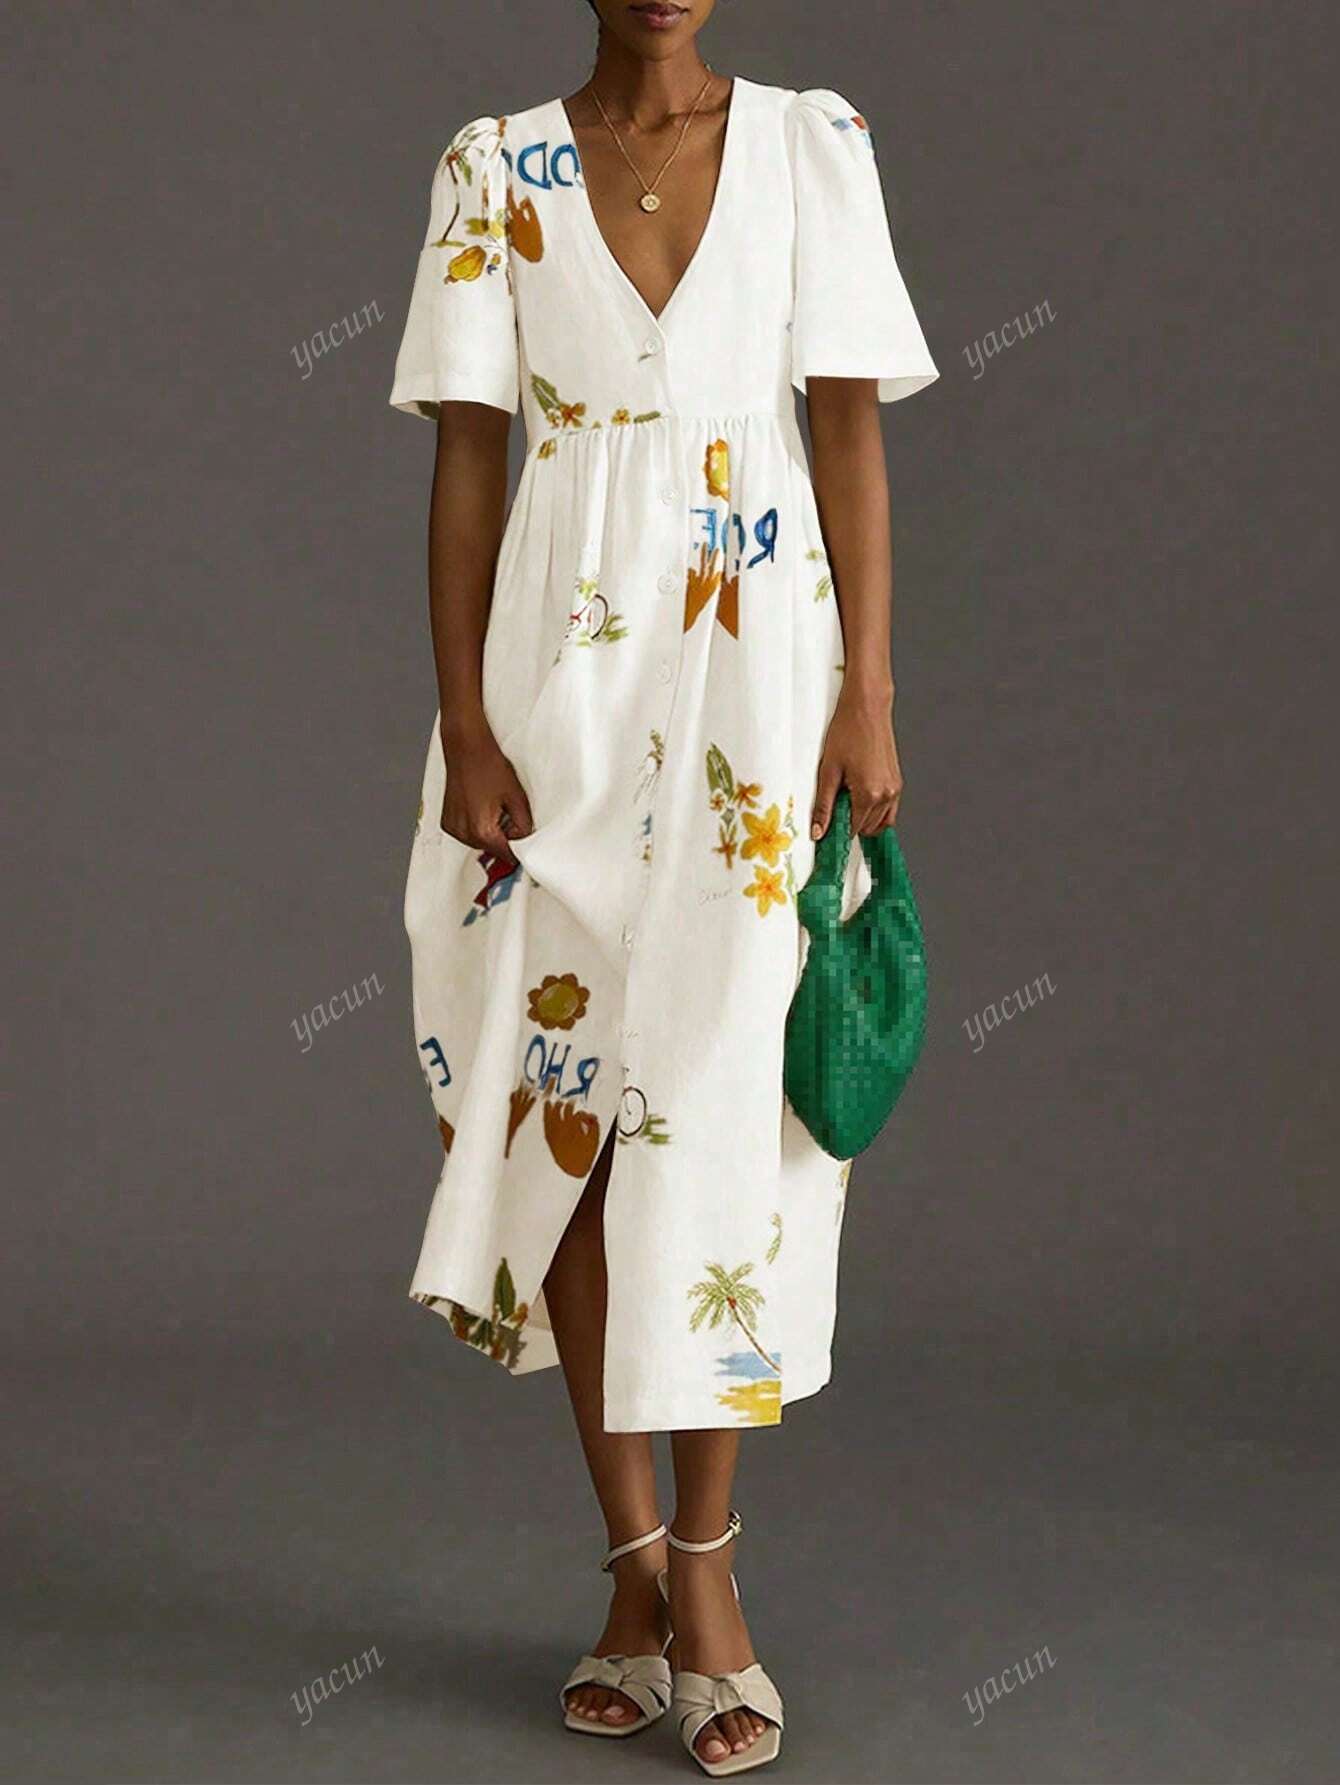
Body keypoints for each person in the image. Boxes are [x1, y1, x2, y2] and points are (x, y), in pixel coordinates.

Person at [388, 0, 937, 1770]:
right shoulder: (493, 170)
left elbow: (844, 431)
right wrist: (464, 718)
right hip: (555, 703)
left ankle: (704, 1577)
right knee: (567, 1114)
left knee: (717, 1111)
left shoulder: (809, 149)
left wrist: (869, 692)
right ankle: (631, 1563)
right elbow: (469, 459)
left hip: (757, 692)